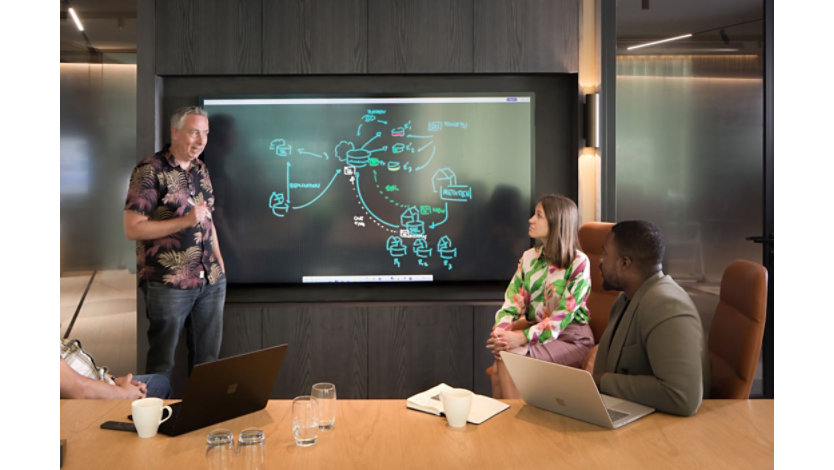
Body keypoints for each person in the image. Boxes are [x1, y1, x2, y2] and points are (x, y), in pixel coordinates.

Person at [124, 106, 227, 379]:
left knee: (208, 363)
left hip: (211, 280)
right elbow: (132, 228)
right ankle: (156, 421)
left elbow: (207, 219)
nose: (201, 140)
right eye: (194, 132)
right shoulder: (149, 171)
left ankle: (203, 421)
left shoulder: (201, 169)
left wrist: (219, 260)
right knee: (162, 364)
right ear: (175, 132)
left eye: (205, 134)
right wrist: (184, 221)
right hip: (168, 282)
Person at [592, 220, 709, 416]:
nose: (600, 261)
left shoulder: (667, 305)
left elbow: (682, 396)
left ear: (624, 263)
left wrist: (603, 382)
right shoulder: (625, 299)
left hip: (663, 432)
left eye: (605, 254)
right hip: (626, 413)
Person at [486, 194, 593, 398]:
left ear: (556, 221)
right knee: (499, 367)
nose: (530, 220)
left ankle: (514, 429)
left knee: (509, 359)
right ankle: (504, 428)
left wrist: (521, 337)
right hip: (537, 336)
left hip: (571, 339)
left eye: (539, 215)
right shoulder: (529, 258)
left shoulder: (579, 262)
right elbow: (512, 303)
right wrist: (501, 334)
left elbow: (561, 317)